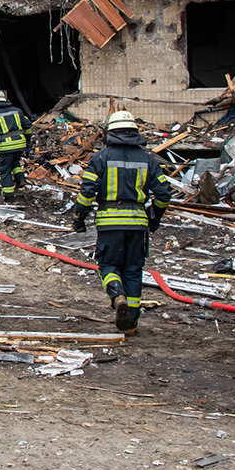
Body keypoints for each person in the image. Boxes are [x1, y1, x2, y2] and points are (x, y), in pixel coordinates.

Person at [71, 110, 173, 334]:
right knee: (134, 270)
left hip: (110, 222)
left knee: (108, 265)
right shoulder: (148, 159)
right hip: (138, 223)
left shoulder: (100, 158)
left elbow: (87, 192)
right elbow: (164, 193)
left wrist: (79, 217)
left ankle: (117, 295)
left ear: (110, 133)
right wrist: (155, 216)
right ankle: (131, 323)